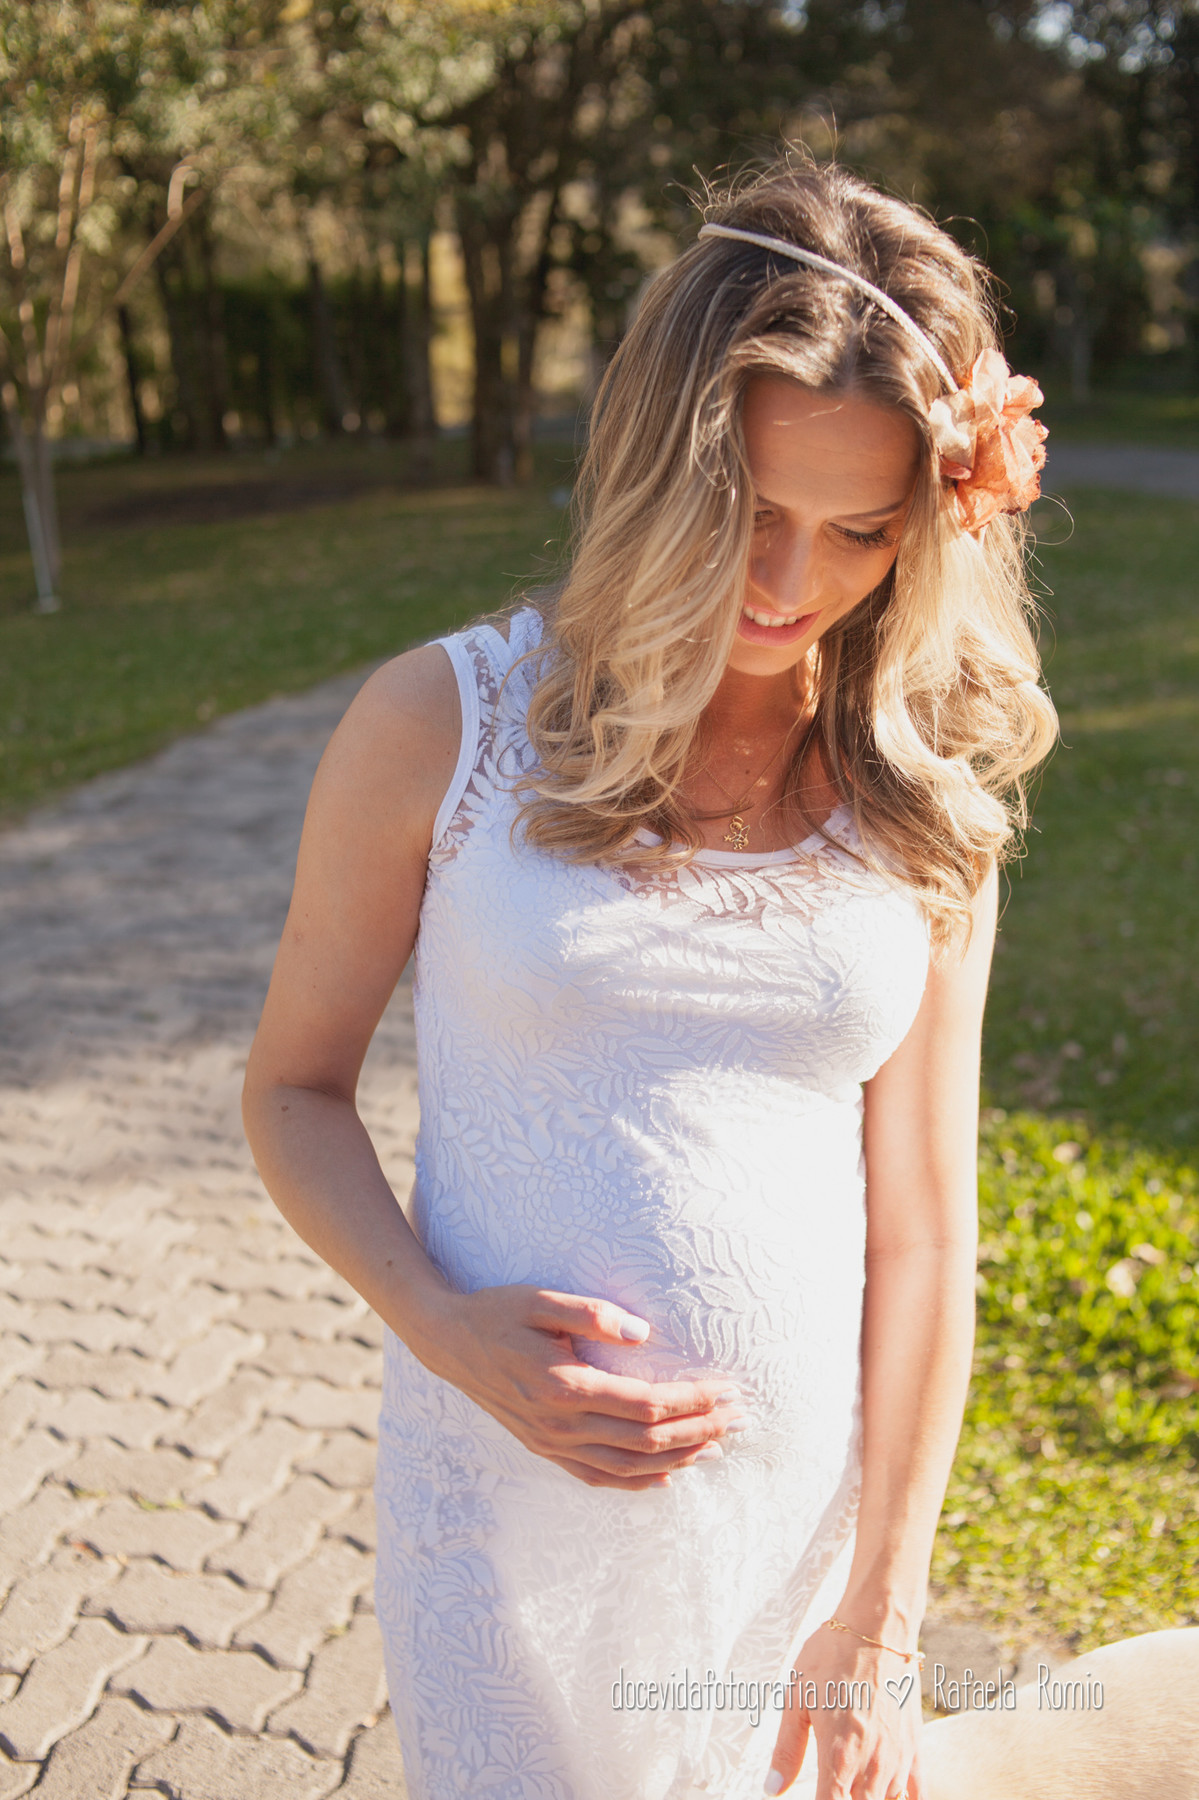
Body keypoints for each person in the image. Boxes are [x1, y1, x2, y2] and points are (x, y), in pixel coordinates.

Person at [242, 156, 1056, 1800]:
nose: (790, 584)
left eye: (860, 532)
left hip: (796, 1552)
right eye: (750, 513)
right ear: (655, 466)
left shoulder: (924, 799)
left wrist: (885, 1615)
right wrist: (443, 1329)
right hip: (498, 1510)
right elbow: (292, 1090)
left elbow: (924, 1231)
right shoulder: (441, 725)